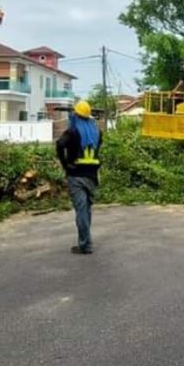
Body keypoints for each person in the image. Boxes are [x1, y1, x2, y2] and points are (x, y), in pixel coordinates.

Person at [56, 100, 103, 255]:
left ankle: (85, 244)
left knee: (81, 211)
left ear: (75, 115)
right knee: (87, 210)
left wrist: (65, 164)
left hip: (76, 176)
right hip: (92, 176)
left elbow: (59, 145)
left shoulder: (72, 132)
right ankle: (85, 241)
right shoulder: (96, 132)